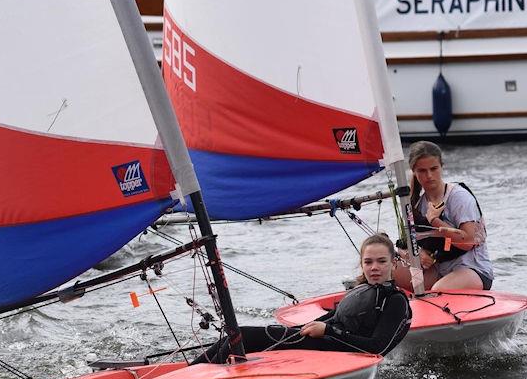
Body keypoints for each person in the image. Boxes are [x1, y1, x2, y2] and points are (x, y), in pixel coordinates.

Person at [191, 234, 412, 364]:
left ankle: (194, 375)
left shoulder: (396, 301)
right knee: (236, 337)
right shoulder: (361, 290)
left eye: (381, 261)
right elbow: (332, 317)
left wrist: (328, 332)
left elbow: (377, 348)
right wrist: (297, 330)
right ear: (361, 263)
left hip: (336, 353)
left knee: (244, 336)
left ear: (393, 263)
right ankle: (191, 371)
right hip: (323, 340)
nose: (374, 267)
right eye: (368, 262)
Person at [394, 141, 494, 291]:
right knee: (386, 269)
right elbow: (405, 243)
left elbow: (468, 241)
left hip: (472, 270)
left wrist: (435, 221)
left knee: (438, 290)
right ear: (414, 171)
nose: (429, 176)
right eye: (422, 171)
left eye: (434, 169)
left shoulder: (459, 197)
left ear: (442, 166)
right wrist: (418, 254)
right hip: (438, 271)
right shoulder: (417, 204)